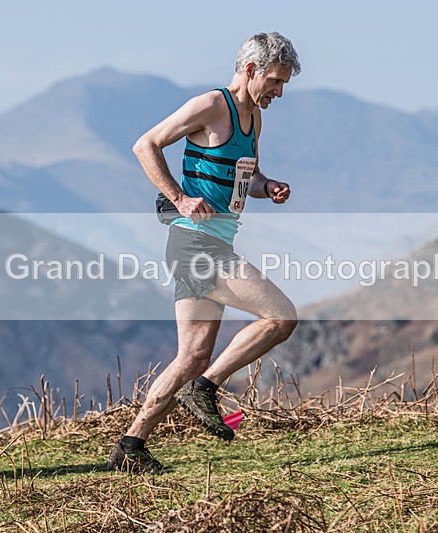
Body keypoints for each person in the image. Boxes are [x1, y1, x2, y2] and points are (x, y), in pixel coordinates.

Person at [108, 32, 301, 473]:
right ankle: (207, 387)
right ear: (251, 70)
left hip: (212, 242)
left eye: (284, 83)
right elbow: (146, 144)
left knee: (191, 356)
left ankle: (130, 446)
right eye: (275, 81)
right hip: (196, 244)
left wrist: (266, 186)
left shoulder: (253, 117)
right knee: (281, 317)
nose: (280, 92)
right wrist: (178, 198)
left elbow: (241, 176)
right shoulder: (214, 105)